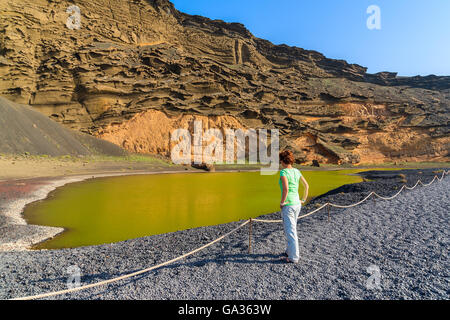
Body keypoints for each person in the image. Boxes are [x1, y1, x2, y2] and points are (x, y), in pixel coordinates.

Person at [278, 150, 309, 263]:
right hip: (297, 204)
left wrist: (282, 202)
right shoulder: (297, 171)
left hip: (289, 205)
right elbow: (306, 186)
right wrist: (303, 200)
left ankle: (294, 257)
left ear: (282, 161)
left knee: (291, 230)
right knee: (291, 228)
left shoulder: (283, 172)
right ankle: (289, 251)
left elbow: (285, 189)